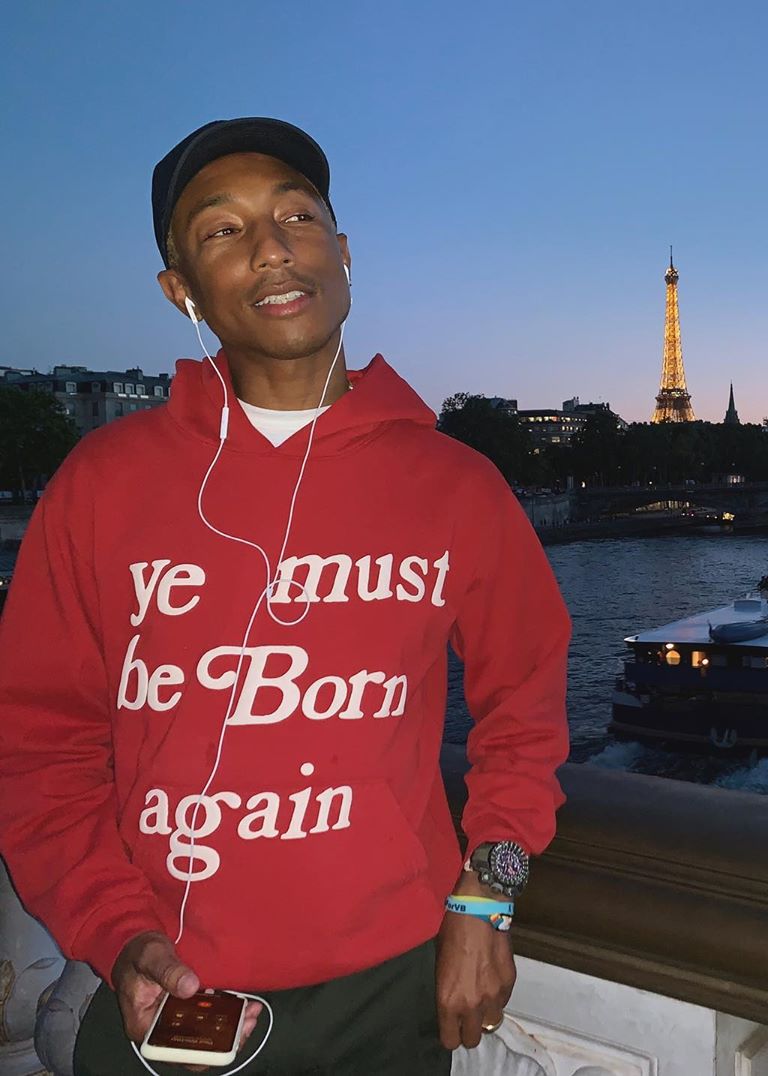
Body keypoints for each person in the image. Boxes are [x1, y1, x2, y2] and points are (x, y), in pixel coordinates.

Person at [0, 118, 571, 1075]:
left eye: (296, 215)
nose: (272, 246)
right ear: (179, 290)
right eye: (222, 230)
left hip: (391, 989)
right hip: (162, 988)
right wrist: (118, 933)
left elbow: (529, 707)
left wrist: (488, 890)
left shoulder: (459, 486)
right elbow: (41, 749)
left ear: (342, 255)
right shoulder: (101, 485)